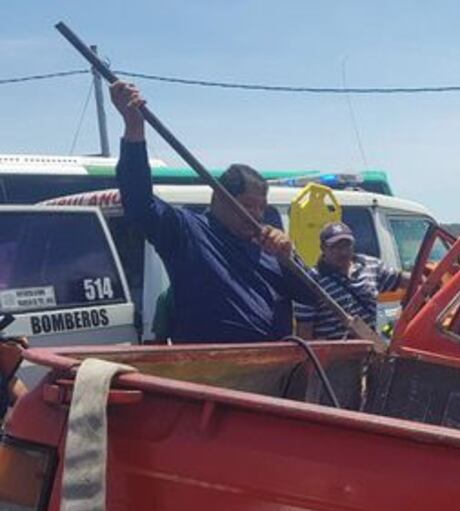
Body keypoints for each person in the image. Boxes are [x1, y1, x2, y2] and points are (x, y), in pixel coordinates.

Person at [111, 81, 315, 344]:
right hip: (212, 370)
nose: (256, 215)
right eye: (248, 205)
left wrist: (289, 259)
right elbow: (139, 204)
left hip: (275, 372)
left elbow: (309, 295)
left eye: (261, 207)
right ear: (219, 198)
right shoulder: (188, 232)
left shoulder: (268, 248)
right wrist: (134, 128)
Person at [295, 222, 405, 340]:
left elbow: (397, 293)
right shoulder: (311, 280)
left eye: (347, 245)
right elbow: (304, 331)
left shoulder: (372, 265)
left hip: (376, 350)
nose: (343, 252)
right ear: (322, 248)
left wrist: (386, 339)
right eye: (335, 247)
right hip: (335, 353)